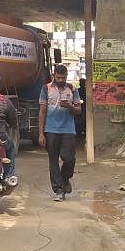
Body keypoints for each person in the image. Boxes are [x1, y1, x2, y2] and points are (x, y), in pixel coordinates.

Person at [39, 63, 82, 201]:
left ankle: (65, 179)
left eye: (63, 77)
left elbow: (78, 110)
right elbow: (42, 111)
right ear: (54, 76)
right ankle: (58, 190)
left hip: (68, 130)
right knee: (53, 161)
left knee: (69, 158)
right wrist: (40, 133)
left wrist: (69, 106)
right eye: (58, 77)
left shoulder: (72, 89)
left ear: (66, 77)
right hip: (51, 130)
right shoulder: (46, 88)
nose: (61, 80)